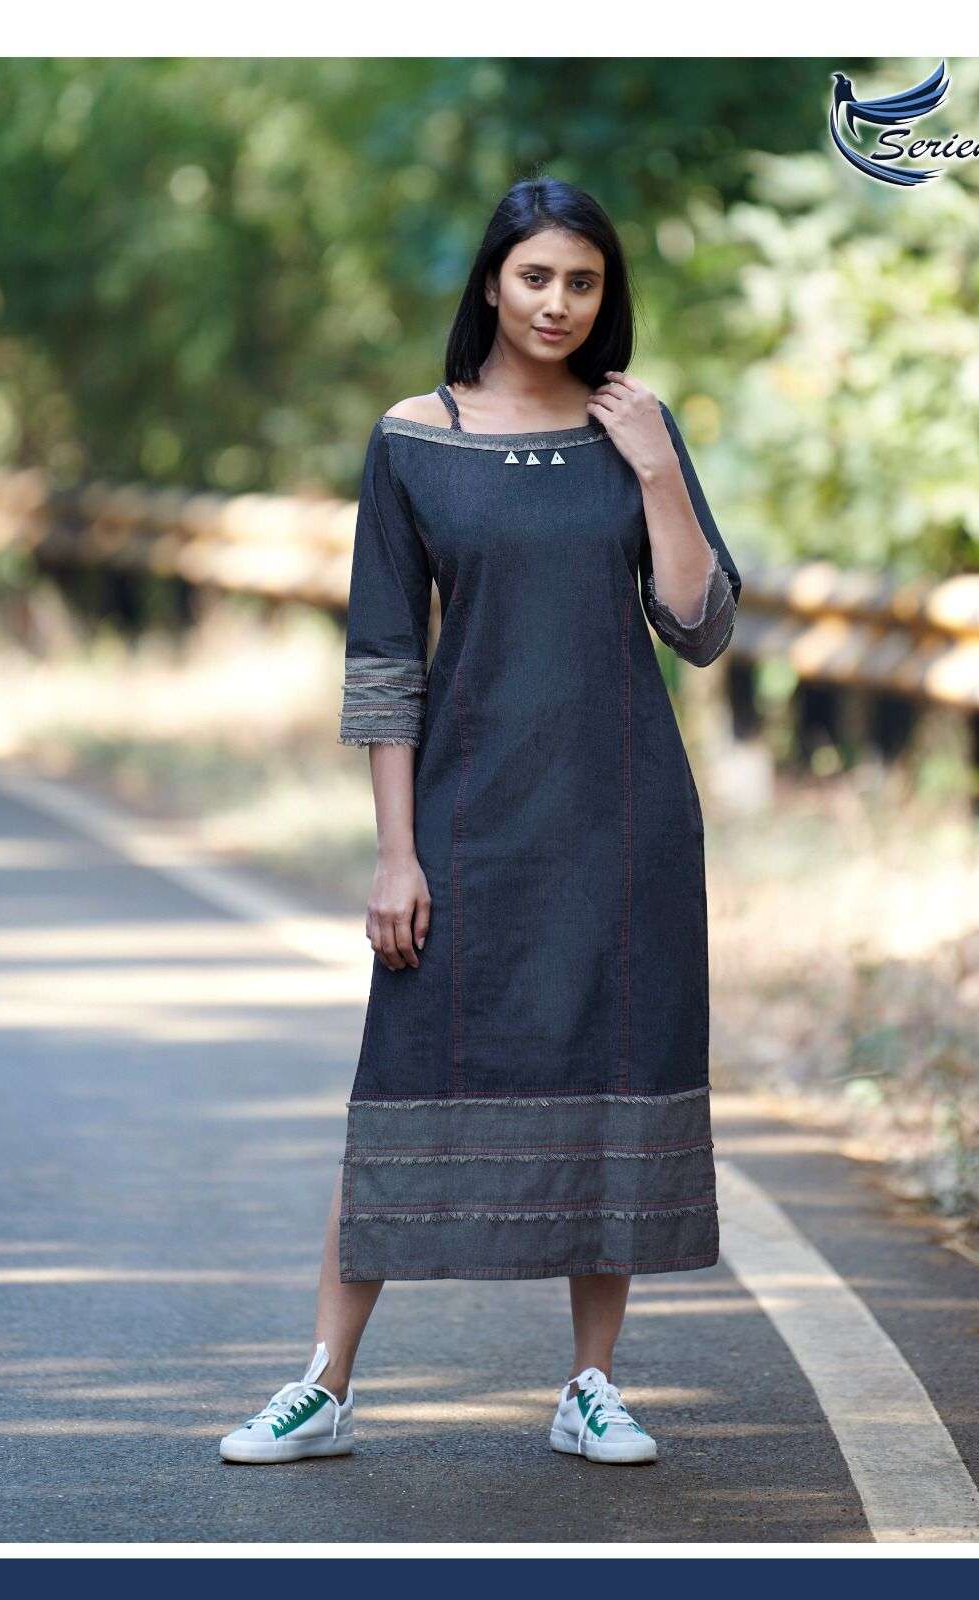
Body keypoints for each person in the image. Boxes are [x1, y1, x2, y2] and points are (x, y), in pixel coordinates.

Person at [219, 176, 742, 1468]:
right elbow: (383, 658)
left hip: (621, 822)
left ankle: (590, 1385)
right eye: (535, 277)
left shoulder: (636, 427)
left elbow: (700, 626)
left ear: (606, 295)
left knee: (612, 1085)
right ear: (493, 284)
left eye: (582, 282)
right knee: (400, 1082)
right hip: (465, 822)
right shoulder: (415, 438)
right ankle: (324, 1384)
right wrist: (395, 852)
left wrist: (657, 469)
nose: (558, 303)